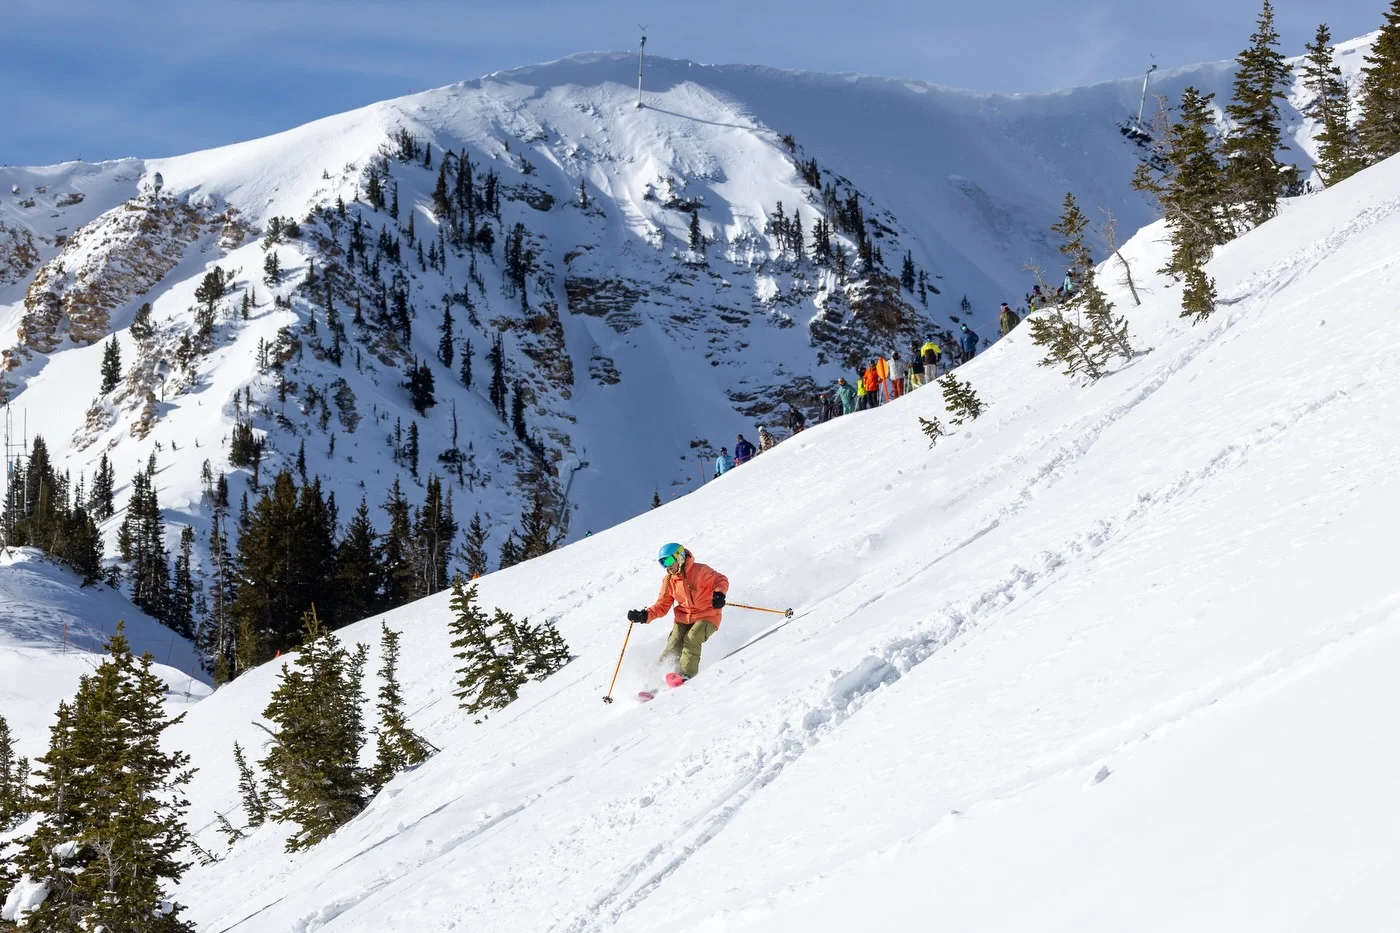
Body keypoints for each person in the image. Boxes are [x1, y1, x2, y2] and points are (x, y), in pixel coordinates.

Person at [628, 543, 729, 684]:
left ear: (680, 557)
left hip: (708, 615)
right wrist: (644, 615)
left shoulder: (699, 571)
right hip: (683, 618)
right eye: (662, 563)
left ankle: (686, 674)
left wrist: (719, 594)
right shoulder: (669, 581)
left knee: (692, 637)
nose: (666, 566)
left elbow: (720, 580)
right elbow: (662, 605)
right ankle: (657, 680)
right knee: (673, 644)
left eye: (668, 561)